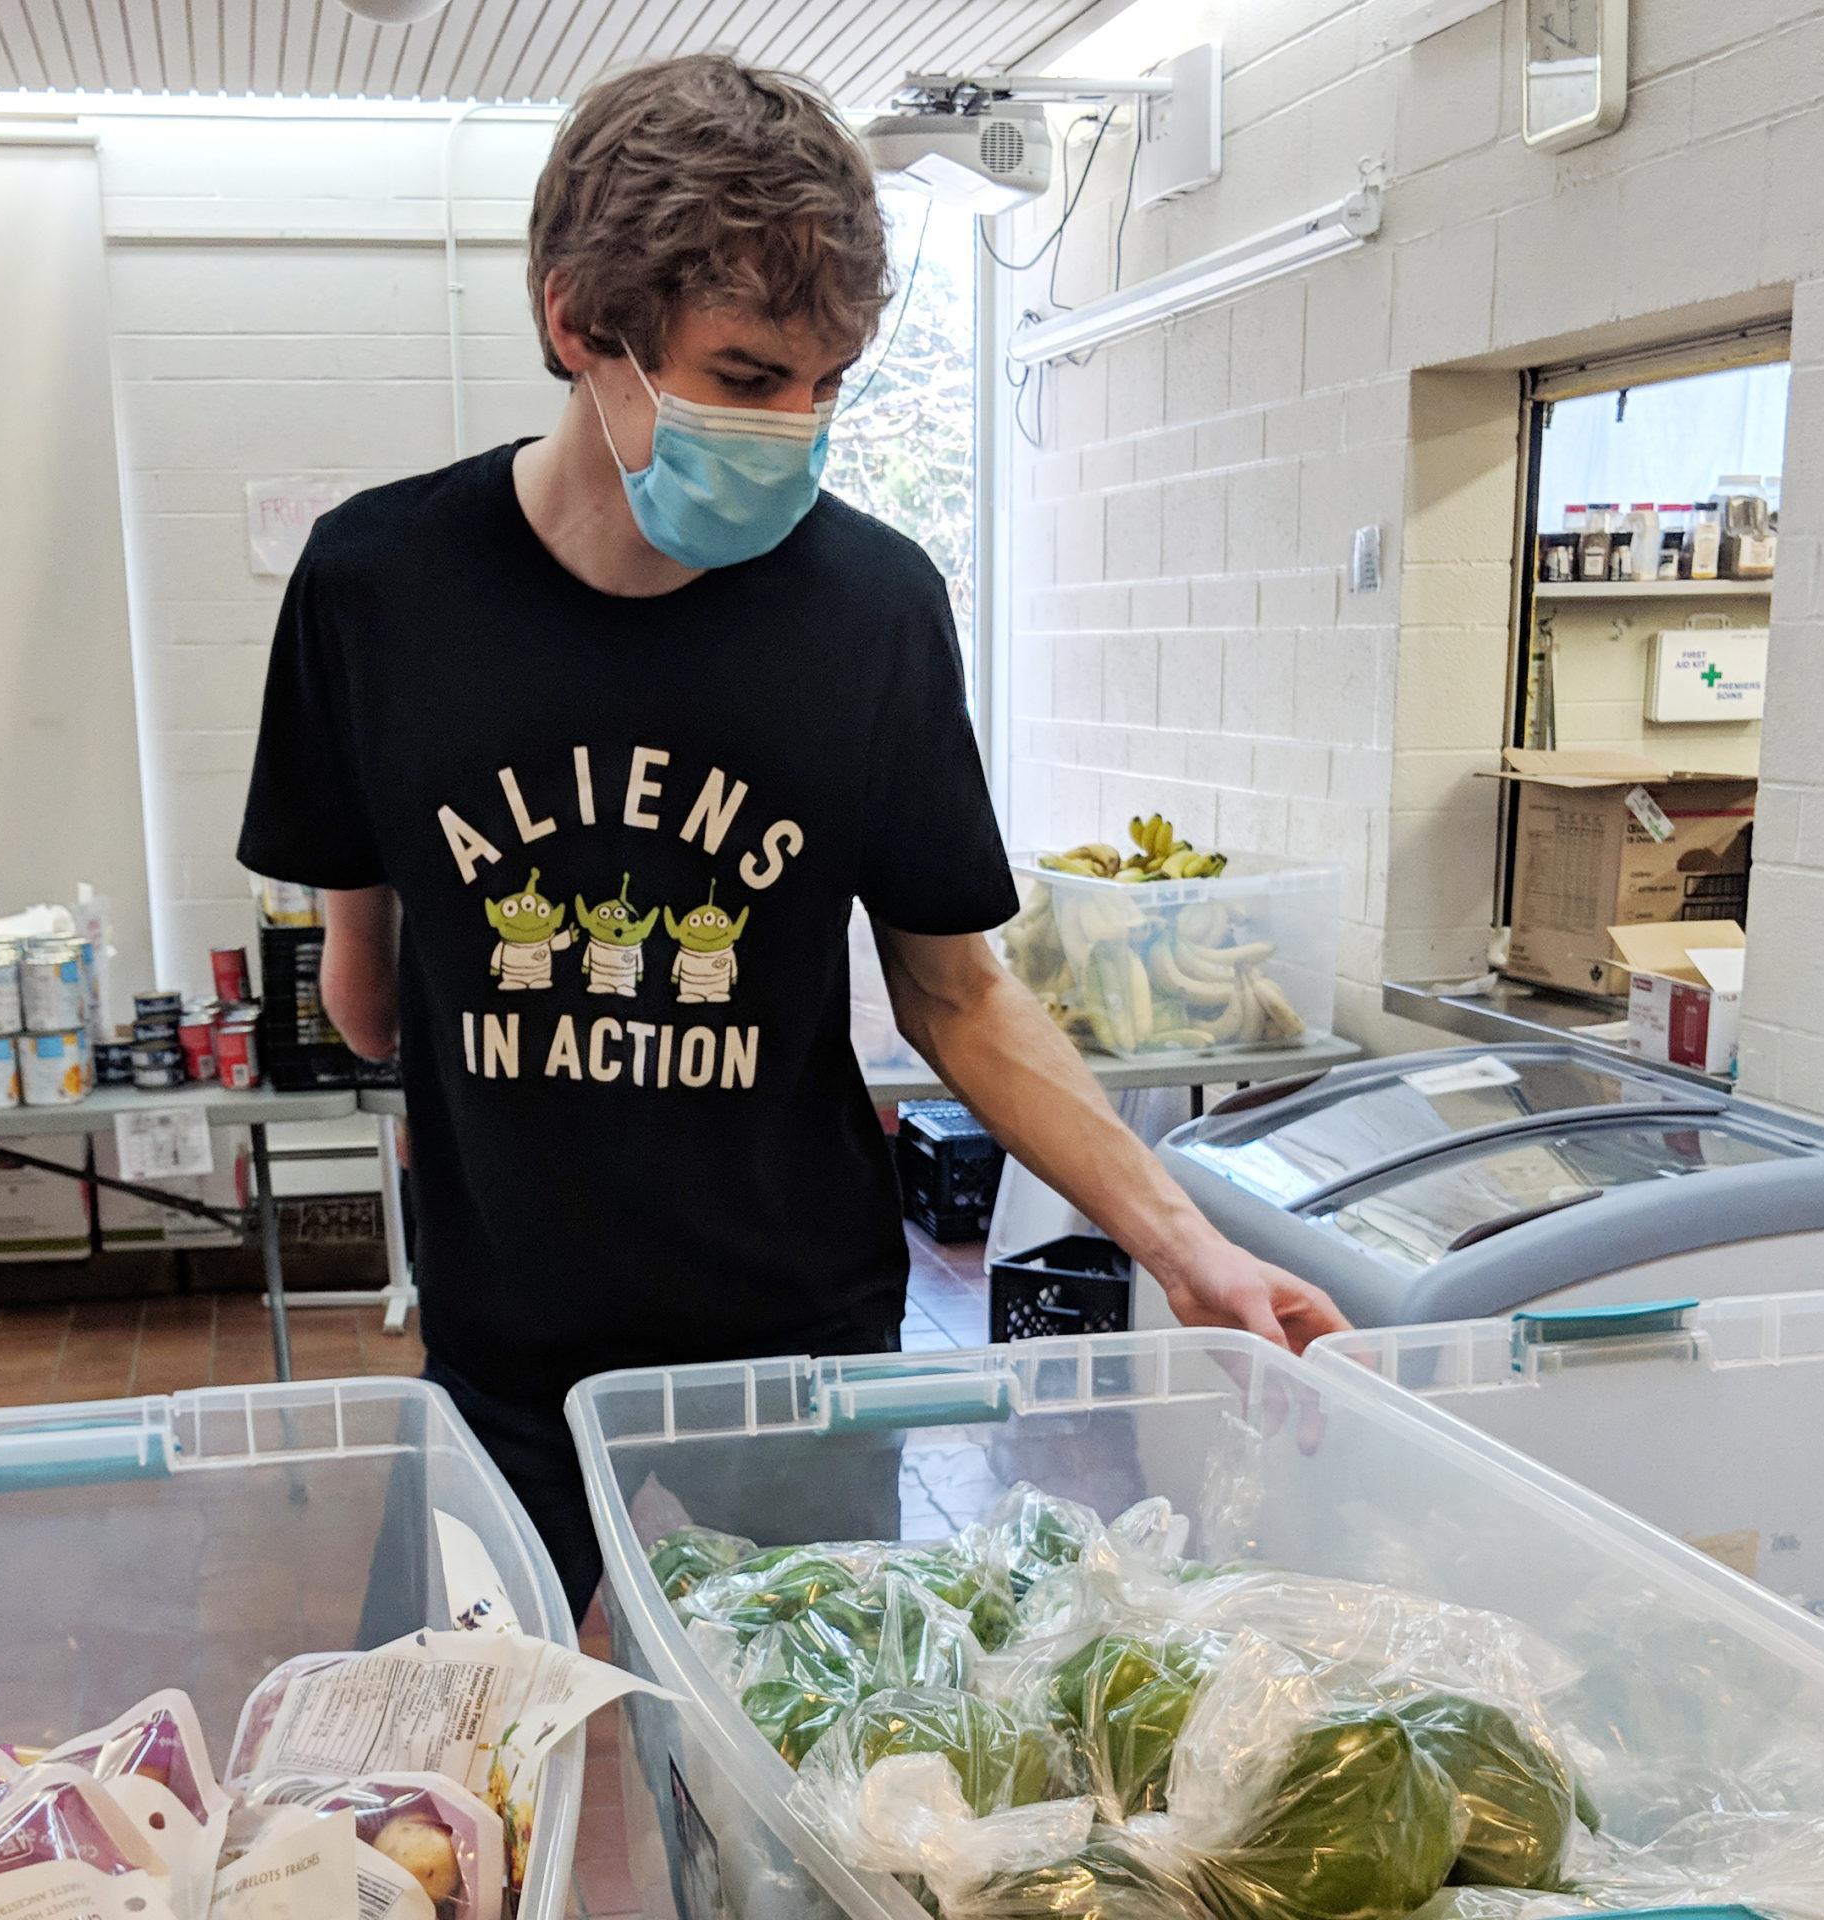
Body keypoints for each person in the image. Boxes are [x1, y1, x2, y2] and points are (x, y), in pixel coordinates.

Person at [238, 52, 1349, 1617]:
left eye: (833, 382)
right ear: (578, 323)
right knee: (438, 1803)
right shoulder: (376, 588)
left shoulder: (872, 607)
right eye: (750, 377)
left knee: (803, 1814)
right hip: (505, 1365)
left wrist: (1188, 1250)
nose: (796, 429)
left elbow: (956, 989)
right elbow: (359, 998)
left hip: (799, 1356)